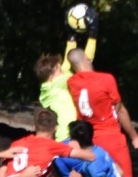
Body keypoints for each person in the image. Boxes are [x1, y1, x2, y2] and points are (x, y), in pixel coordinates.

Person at [66, 48, 138, 177]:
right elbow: (120, 109)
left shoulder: (72, 83)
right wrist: (135, 137)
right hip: (111, 137)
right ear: (87, 59)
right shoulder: (106, 79)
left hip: (90, 142)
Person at [34, 7, 99, 142]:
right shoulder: (58, 84)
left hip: (66, 136)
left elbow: (66, 64)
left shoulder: (49, 86)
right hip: (68, 138)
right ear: (52, 76)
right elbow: (84, 61)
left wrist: (71, 37)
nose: (63, 70)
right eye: (59, 70)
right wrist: (92, 35)